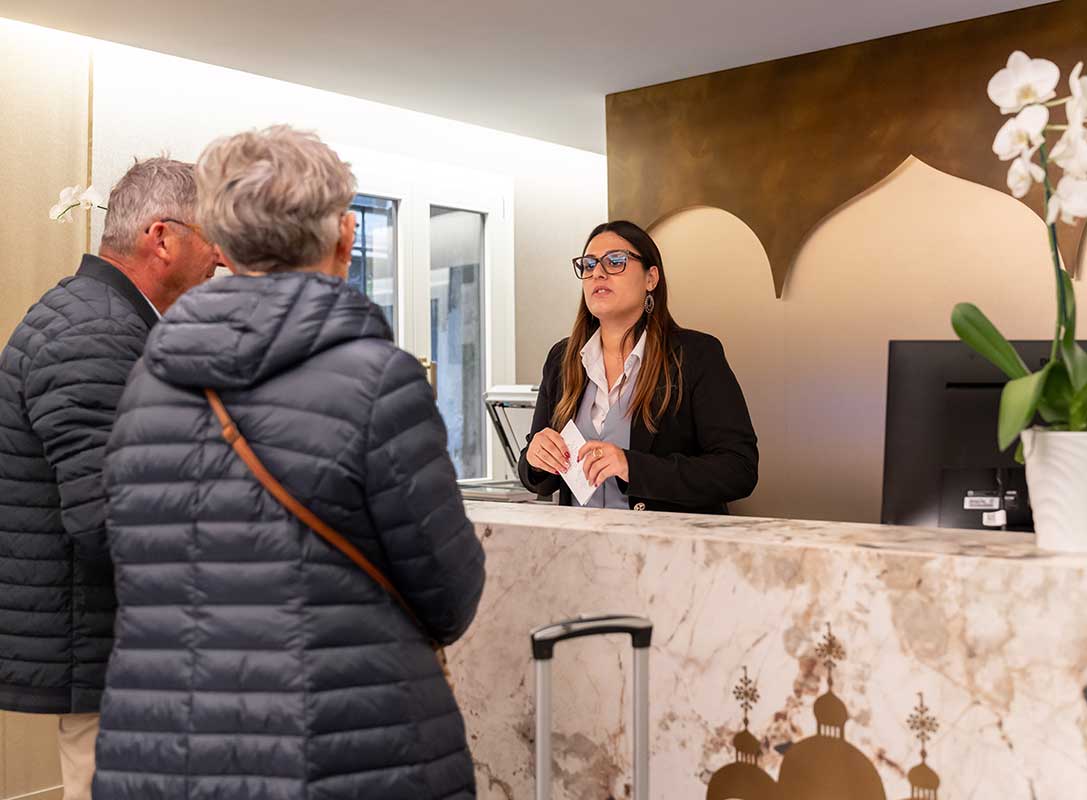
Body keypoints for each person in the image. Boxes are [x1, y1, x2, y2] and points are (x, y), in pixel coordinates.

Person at [91, 125, 485, 800]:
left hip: (164, 747)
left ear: (223, 244)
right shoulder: (378, 381)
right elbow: (449, 597)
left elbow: (138, 567)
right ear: (344, 237)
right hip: (342, 746)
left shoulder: (147, 384)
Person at [0, 158, 219, 800]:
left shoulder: (102, 317)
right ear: (162, 237)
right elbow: (110, 518)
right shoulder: (97, 332)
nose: (222, 257)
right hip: (113, 656)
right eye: (213, 236)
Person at [519, 220, 758, 514]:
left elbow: (738, 469)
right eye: (589, 265)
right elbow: (540, 482)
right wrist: (535, 459)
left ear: (651, 278)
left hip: (667, 542)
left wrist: (631, 466)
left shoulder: (696, 356)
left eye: (615, 261)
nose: (598, 273)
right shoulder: (561, 359)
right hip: (580, 541)